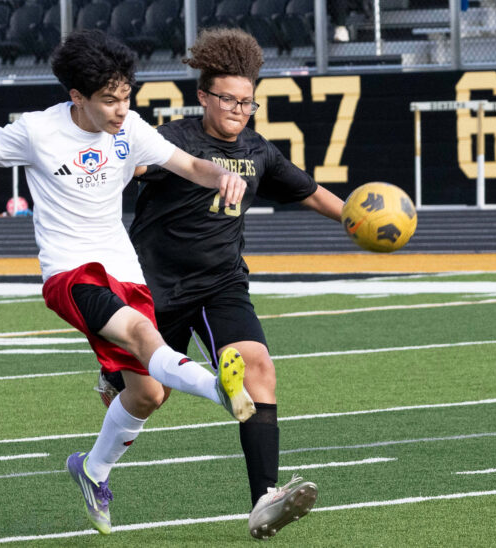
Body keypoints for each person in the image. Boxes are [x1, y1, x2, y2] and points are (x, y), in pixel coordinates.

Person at [0, 29, 257, 536]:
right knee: (139, 335)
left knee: (148, 394)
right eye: (108, 100)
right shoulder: (37, 131)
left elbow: (189, 164)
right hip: (70, 272)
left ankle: (92, 471)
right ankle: (218, 386)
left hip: (123, 270)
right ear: (77, 98)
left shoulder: (130, 127)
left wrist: (221, 176)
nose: (120, 109)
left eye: (126, 96)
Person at [119, 27, 345, 539]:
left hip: (221, 284)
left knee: (259, 365)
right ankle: (114, 387)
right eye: (228, 99)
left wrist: (356, 218)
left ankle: (265, 498)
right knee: (145, 397)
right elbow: (120, 168)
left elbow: (309, 192)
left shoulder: (259, 150)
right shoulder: (171, 141)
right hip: (153, 289)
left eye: (248, 102)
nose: (239, 110)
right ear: (203, 96)